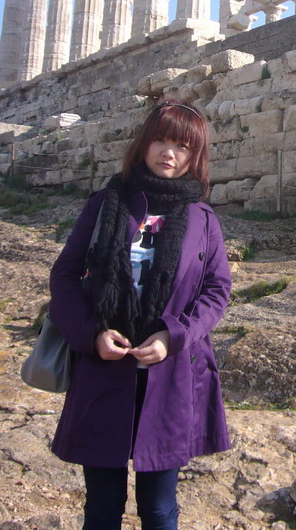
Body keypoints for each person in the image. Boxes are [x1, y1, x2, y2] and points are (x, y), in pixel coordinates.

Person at [47, 100, 231, 530]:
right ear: (144, 144)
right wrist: (90, 335)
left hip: (168, 372)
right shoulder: (104, 204)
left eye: (183, 146)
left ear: (195, 155)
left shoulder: (203, 219)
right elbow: (66, 275)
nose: (169, 153)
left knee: (160, 509)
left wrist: (173, 336)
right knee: (102, 507)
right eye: (161, 140)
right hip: (104, 367)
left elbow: (217, 290)